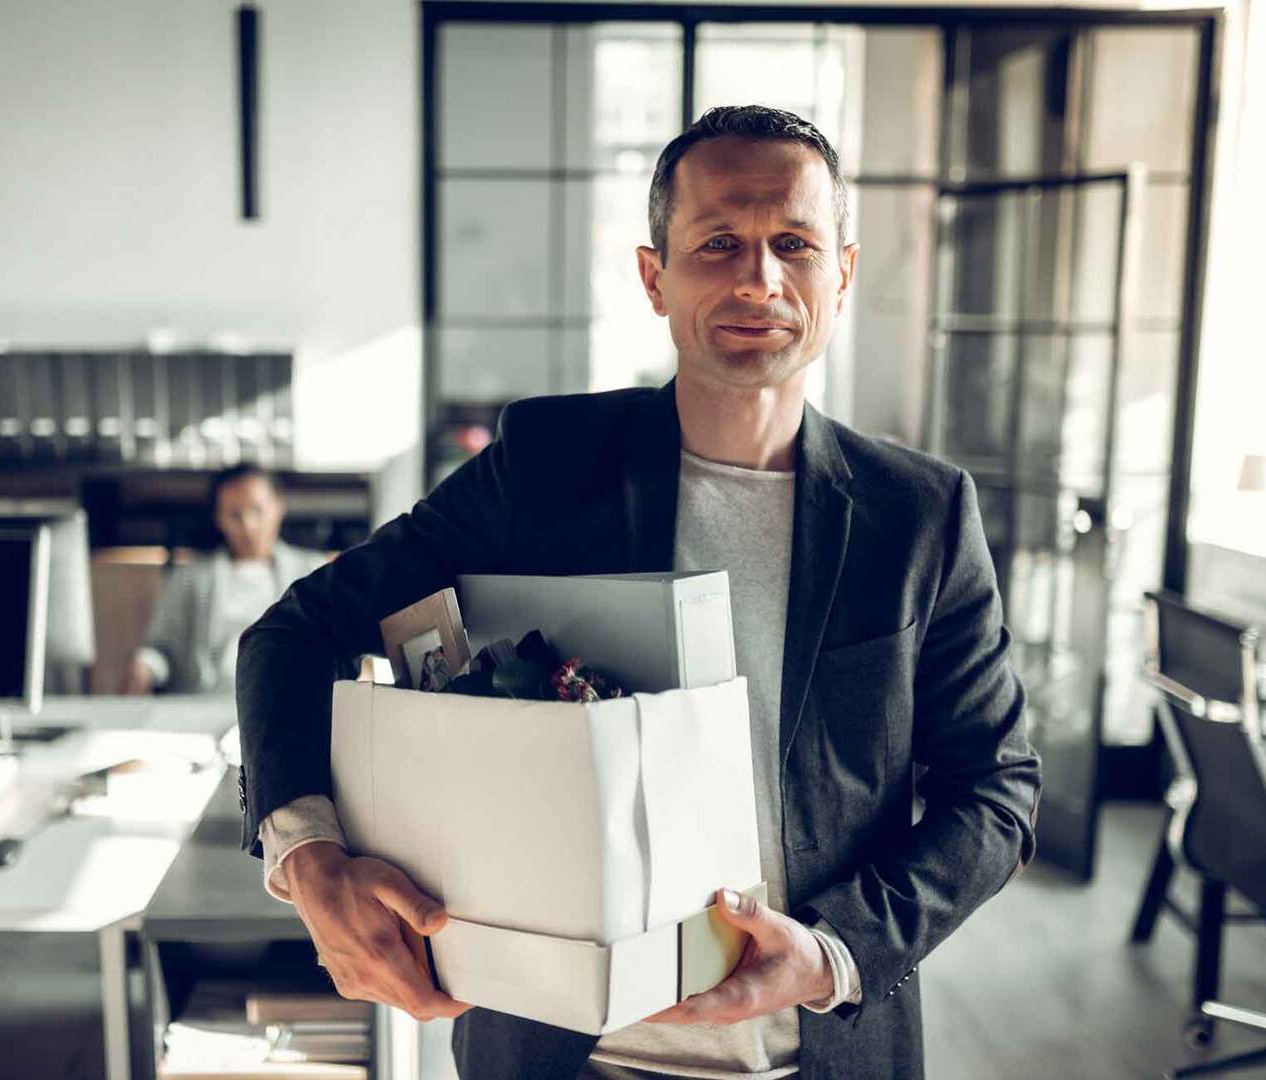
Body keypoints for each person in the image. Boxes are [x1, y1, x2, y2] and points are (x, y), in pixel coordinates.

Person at [236, 106, 1041, 1080]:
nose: (759, 278)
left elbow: (997, 790)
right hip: (552, 1050)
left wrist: (832, 953)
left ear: (843, 273)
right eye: (718, 244)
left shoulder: (920, 514)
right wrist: (308, 860)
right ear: (655, 276)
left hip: (821, 1051)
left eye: (794, 243)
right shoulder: (545, 467)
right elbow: (296, 632)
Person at [124, 464, 325, 696]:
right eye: (234, 515)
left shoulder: (314, 574)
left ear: (278, 508)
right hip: (208, 703)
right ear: (218, 518)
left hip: (289, 704)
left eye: (256, 511)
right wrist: (145, 666)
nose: (247, 526)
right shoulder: (189, 579)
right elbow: (159, 650)